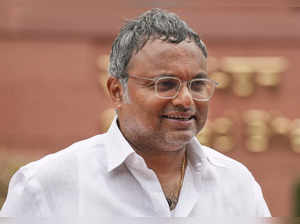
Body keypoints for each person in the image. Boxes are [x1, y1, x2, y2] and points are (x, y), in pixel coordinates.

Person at [0, 8, 271, 217]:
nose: (186, 99)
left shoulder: (237, 184)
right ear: (117, 90)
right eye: (166, 84)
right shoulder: (46, 185)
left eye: (197, 84)